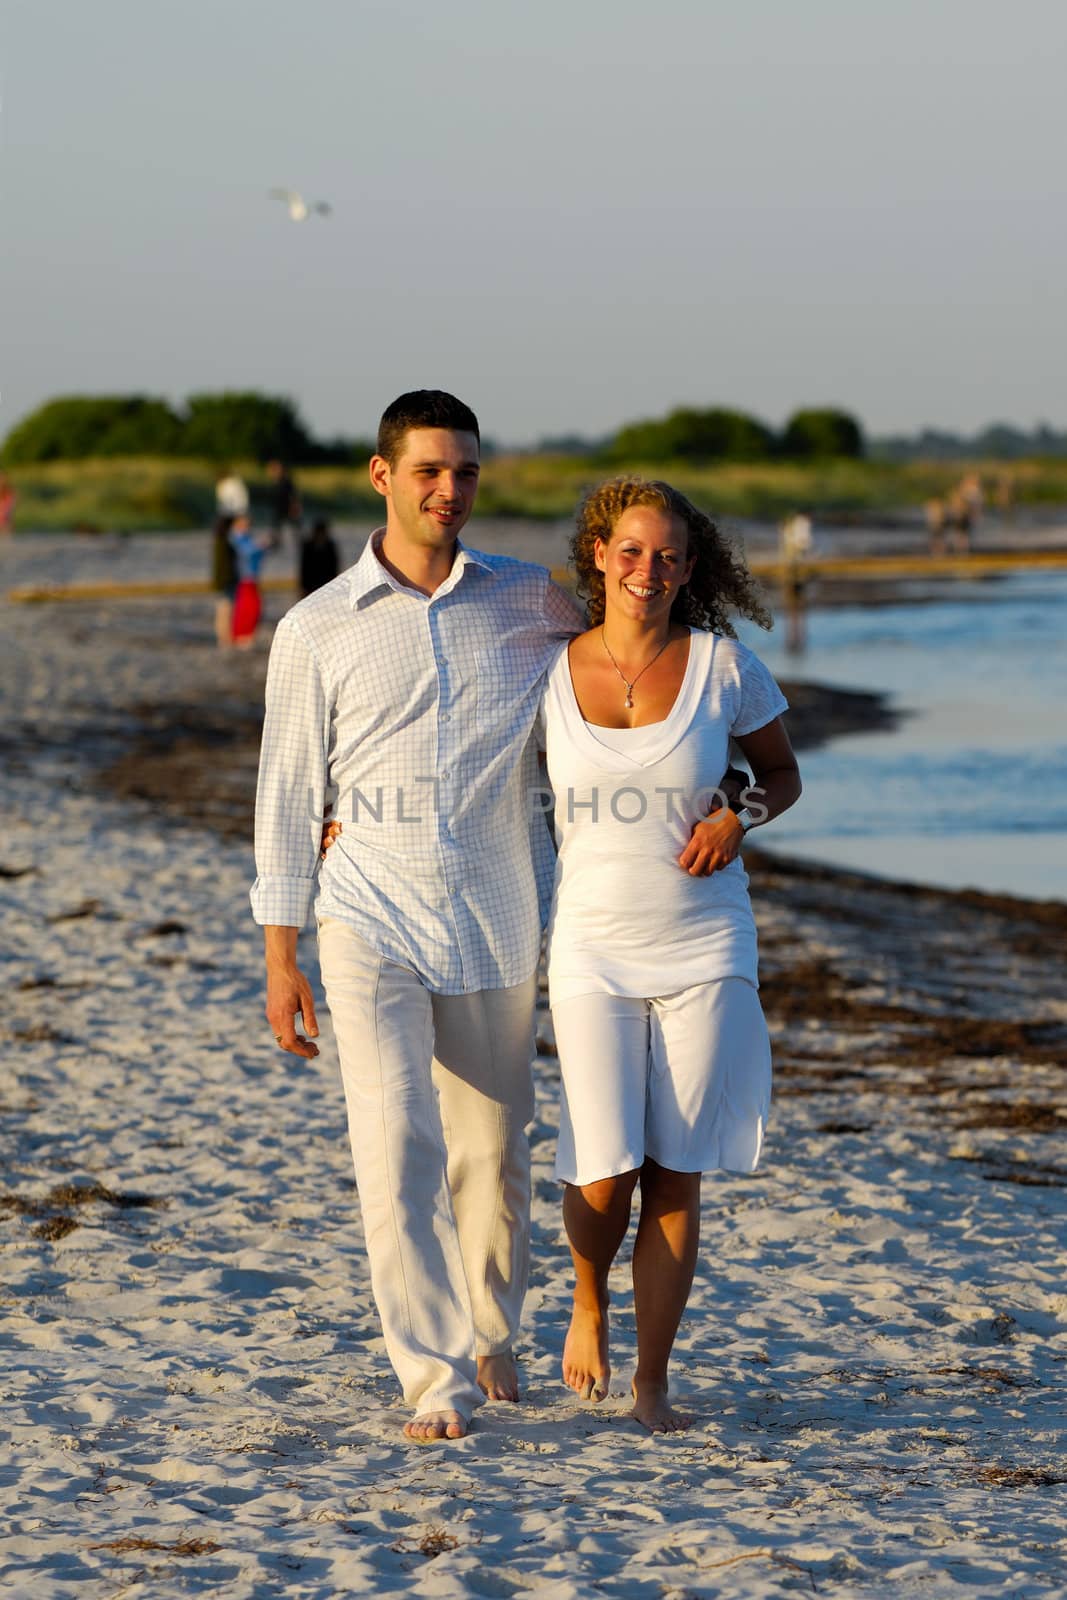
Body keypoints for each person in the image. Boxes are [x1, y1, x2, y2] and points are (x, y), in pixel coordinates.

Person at [251, 391, 584, 1442]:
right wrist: (280, 953)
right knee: (392, 1140)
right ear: (380, 475)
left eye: (466, 472)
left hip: (497, 909)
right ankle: (431, 1379)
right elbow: (287, 793)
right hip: (366, 916)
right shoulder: (314, 629)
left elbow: (632, 664)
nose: (450, 491)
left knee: (493, 1151)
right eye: (430, 470)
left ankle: (490, 1335)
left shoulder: (531, 600)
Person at [539, 476, 801, 1433]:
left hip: (704, 940)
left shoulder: (723, 668)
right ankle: (585, 1297)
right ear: (600, 555)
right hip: (591, 946)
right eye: (633, 551)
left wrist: (739, 817)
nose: (648, 570)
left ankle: (653, 1382)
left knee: (676, 1170)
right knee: (602, 1167)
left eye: (669, 556)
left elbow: (780, 774)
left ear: (692, 569)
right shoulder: (548, 669)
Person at [229, 514, 272, 648]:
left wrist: (264, 546)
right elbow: (247, 552)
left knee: (253, 607)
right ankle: (242, 636)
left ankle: (247, 635)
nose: (247, 527)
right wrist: (261, 545)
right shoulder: (235, 538)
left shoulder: (246, 538)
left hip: (251, 578)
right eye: (245, 524)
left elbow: (256, 554)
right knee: (248, 608)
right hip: (244, 579)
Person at [211, 513, 239, 649]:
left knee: (223, 609)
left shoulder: (220, 539)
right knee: (226, 610)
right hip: (226, 581)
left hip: (222, 581)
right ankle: (224, 638)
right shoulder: (225, 541)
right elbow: (226, 565)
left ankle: (223, 637)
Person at [298, 517, 340, 597]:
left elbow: (334, 566)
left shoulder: (330, 546)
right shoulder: (308, 546)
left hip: (327, 586)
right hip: (311, 586)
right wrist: (303, 587)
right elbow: (304, 568)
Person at [266, 459, 302, 549]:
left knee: (294, 526)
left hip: (288, 507)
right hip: (278, 508)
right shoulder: (276, 480)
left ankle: (299, 543)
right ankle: (276, 543)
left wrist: (295, 506)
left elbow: (293, 494)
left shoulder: (286, 480)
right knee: (276, 526)